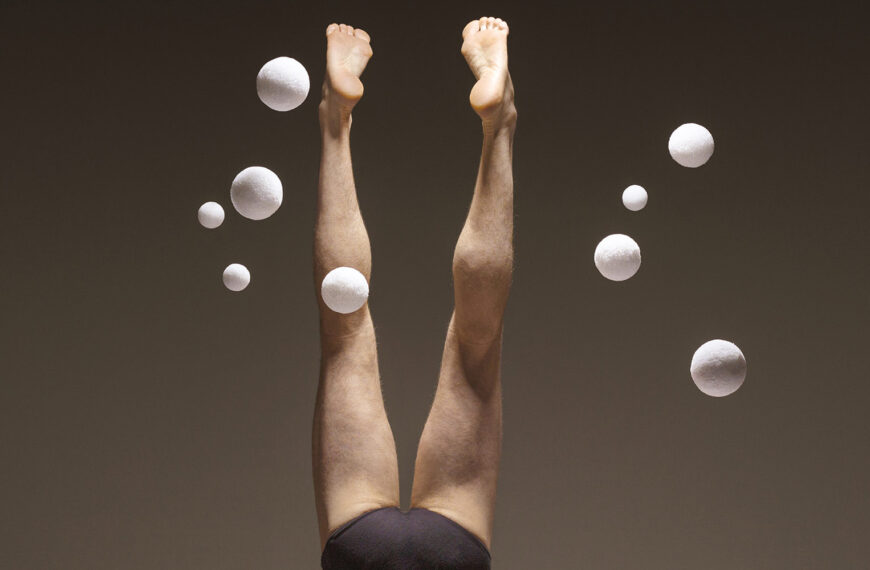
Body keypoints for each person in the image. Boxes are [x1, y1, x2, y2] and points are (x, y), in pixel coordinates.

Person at [313, 17, 516, 569]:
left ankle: (341, 118)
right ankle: (337, 118)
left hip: (438, 547)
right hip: (371, 546)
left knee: (474, 343)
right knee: (345, 331)